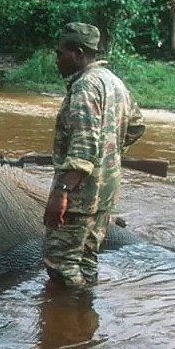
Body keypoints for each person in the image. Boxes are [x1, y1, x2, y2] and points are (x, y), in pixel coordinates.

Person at [43, 22, 146, 287]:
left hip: (80, 195)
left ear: (78, 53)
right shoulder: (113, 82)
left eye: (60, 53)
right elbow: (136, 125)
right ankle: (86, 321)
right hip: (105, 193)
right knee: (86, 261)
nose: (57, 60)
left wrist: (62, 192)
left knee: (61, 263)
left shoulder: (85, 86)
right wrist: (110, 155)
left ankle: (68, 322)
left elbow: (84, 146)